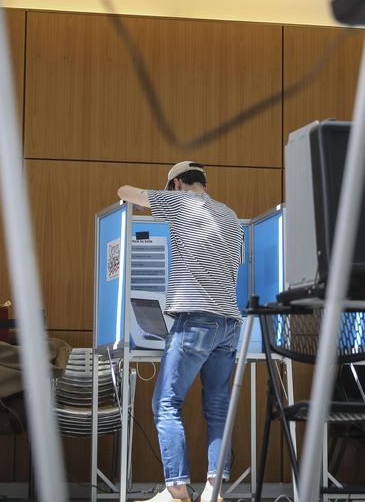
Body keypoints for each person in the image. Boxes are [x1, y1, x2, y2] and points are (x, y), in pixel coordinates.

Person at [117, 161, 244, 502]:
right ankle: (213, 492)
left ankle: (176, 490)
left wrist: (149, 195)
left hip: (196, 321)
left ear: (176, 184)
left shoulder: (181, 201)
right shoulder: (230, 216)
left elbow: (126, 193)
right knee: (218, 406)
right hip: (229, 324)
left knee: (166, 403)